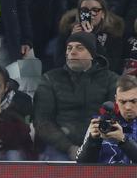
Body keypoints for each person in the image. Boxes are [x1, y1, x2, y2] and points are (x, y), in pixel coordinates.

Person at [34, 32, 118, 160]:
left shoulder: (111, 80)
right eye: (69, 48)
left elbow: (115, 117)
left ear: (92, 54)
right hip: (61, 146)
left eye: (79, 48)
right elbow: (43, 122)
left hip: (101, 143)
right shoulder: (50, 79)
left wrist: (92, 145)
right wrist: (69, 148)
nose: (72, 52)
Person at [58, 0, 128, 74]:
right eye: (85, 10)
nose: (90, 14)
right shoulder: (68, 30)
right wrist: (71, 40)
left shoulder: (113, 33)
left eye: (95, 10)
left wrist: (91, 39)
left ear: (103, 14)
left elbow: (111, 66)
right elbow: (58, 63)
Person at [76, 74, 137, 163]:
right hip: (103, 176)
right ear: (116, 99)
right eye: (122, 102)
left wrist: (123, 141)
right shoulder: (101, 122)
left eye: (133, 101)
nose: (128, 107)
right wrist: (93, 141)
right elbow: (81, 163)